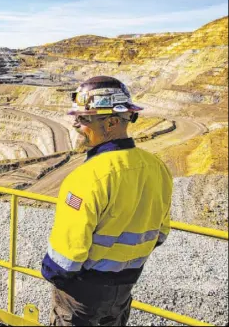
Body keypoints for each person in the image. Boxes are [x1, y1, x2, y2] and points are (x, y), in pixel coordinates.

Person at [41, 76, 173, 326]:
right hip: (123, 291)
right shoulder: (157, 168)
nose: (76, 126)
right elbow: (161, 234)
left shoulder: (87, 177)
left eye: (83, 119)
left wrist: (51, 273)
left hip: (81, 298)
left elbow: (64, 261)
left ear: (112, 122)